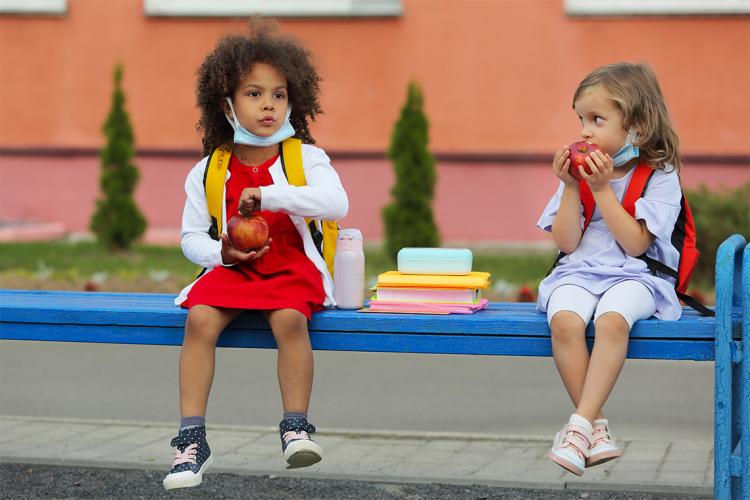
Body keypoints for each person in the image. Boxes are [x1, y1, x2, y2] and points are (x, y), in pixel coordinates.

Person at [163, 21, 348, 491]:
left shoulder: (305, 158)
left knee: (289, 320)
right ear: (225, 103)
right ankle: (191, 437)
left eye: (279, 94)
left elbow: (335, 203)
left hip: (289, 266)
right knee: (199, 320)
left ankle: (295, 425)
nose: (269, 104)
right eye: (254, 93)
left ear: (293, 101)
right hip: (235, 268)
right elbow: (189, 238)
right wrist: (222, 253)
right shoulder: (210, 169)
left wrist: (270, 196)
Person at [537, 62, 684, 476]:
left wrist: (602, 191)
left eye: (597, 120)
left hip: (637, 274)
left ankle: (577, 427)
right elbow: (566, 243)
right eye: (581, 119)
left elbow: (636, 243)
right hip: (580, 271)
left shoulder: (659, 175)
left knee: (612, 320)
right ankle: (595, 429)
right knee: (564, 321)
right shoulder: (580, 175)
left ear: (636, 127)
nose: (584, 131)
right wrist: (571, 187)